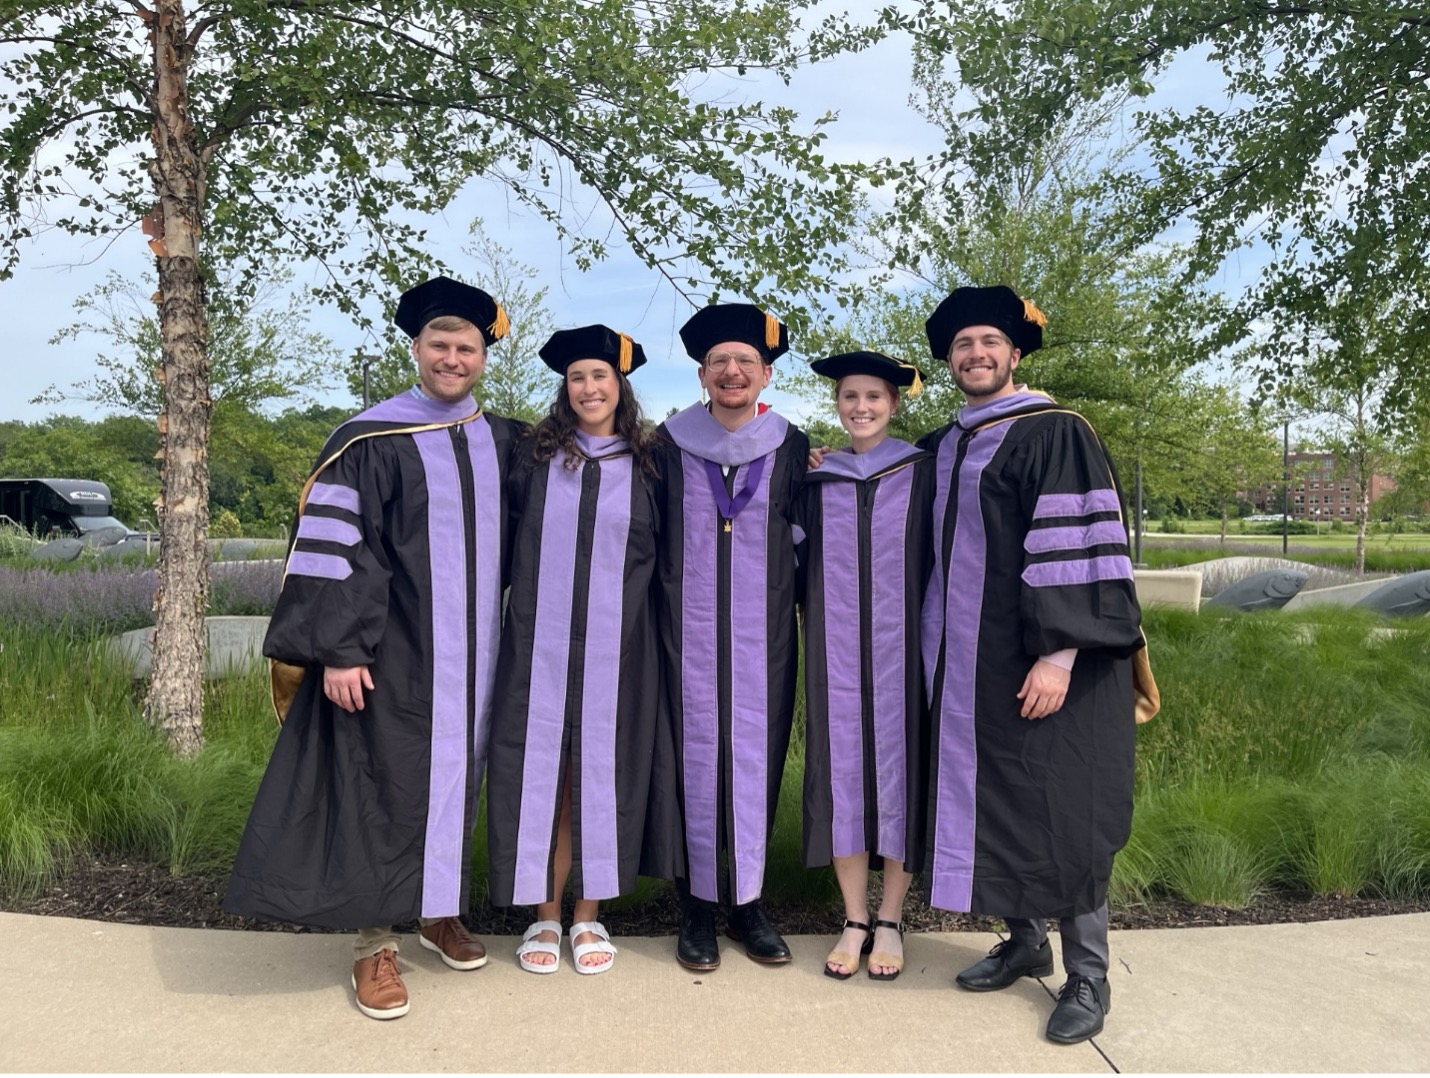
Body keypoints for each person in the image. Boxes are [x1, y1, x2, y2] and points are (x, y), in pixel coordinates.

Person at [224, 276, 524, 1020]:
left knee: (461, 782)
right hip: (394, 653)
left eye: (467, 348)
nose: (453, 359)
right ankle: (373, 945)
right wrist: (340, 650)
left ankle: (436, 909)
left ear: (485, 355)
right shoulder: (367, 440)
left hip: (479, 655)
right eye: (440, 346)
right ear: (416, 349)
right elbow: (336, 549)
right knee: (383, 787)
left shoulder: (505, 439)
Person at [916, 285, 1147, 1044]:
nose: (975, 355)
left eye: (988, 342)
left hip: (1049, 665)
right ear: (948, 361)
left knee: (1066, 811)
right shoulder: (945, 444)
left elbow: (1082, 547)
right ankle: (1023, 940)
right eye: (960, 346)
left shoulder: (1055, 431)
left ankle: (1088, 974)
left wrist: (1060, 654)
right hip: (965, 667)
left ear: (1015, 353)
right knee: (990, 803)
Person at [484, 324, 661, 976]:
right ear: (566, 387)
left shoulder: (650, 463)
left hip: (620, 656)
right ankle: (545, 914)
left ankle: (589, 917)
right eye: (579, 377)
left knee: (602, 779)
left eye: (601, 376)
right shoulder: (533, 459)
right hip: (538, 649)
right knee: (548, 781)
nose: (589, 387)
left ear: (621, 386)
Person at [647, 302, 809, 971]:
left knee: (754, 760)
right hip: (682, 636)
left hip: (762, 640)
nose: (732, 371)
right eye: (720, 362)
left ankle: (747, 903)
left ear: (766, 375)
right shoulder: (665, 445)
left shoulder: (793, 447)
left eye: (746, 361)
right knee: (690, 761)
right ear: (701, 373)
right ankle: (695, 905)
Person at [796, 350, 934, 981]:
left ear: (895, 403)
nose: (861, 407)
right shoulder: (815, 479)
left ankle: (892, 919)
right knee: (843, 776)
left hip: (905, 654)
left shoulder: (922, 472)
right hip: (837, 656)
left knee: (903, 776)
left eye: (874, 397)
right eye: (850, 396)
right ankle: (855, 918)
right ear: (837, 403)